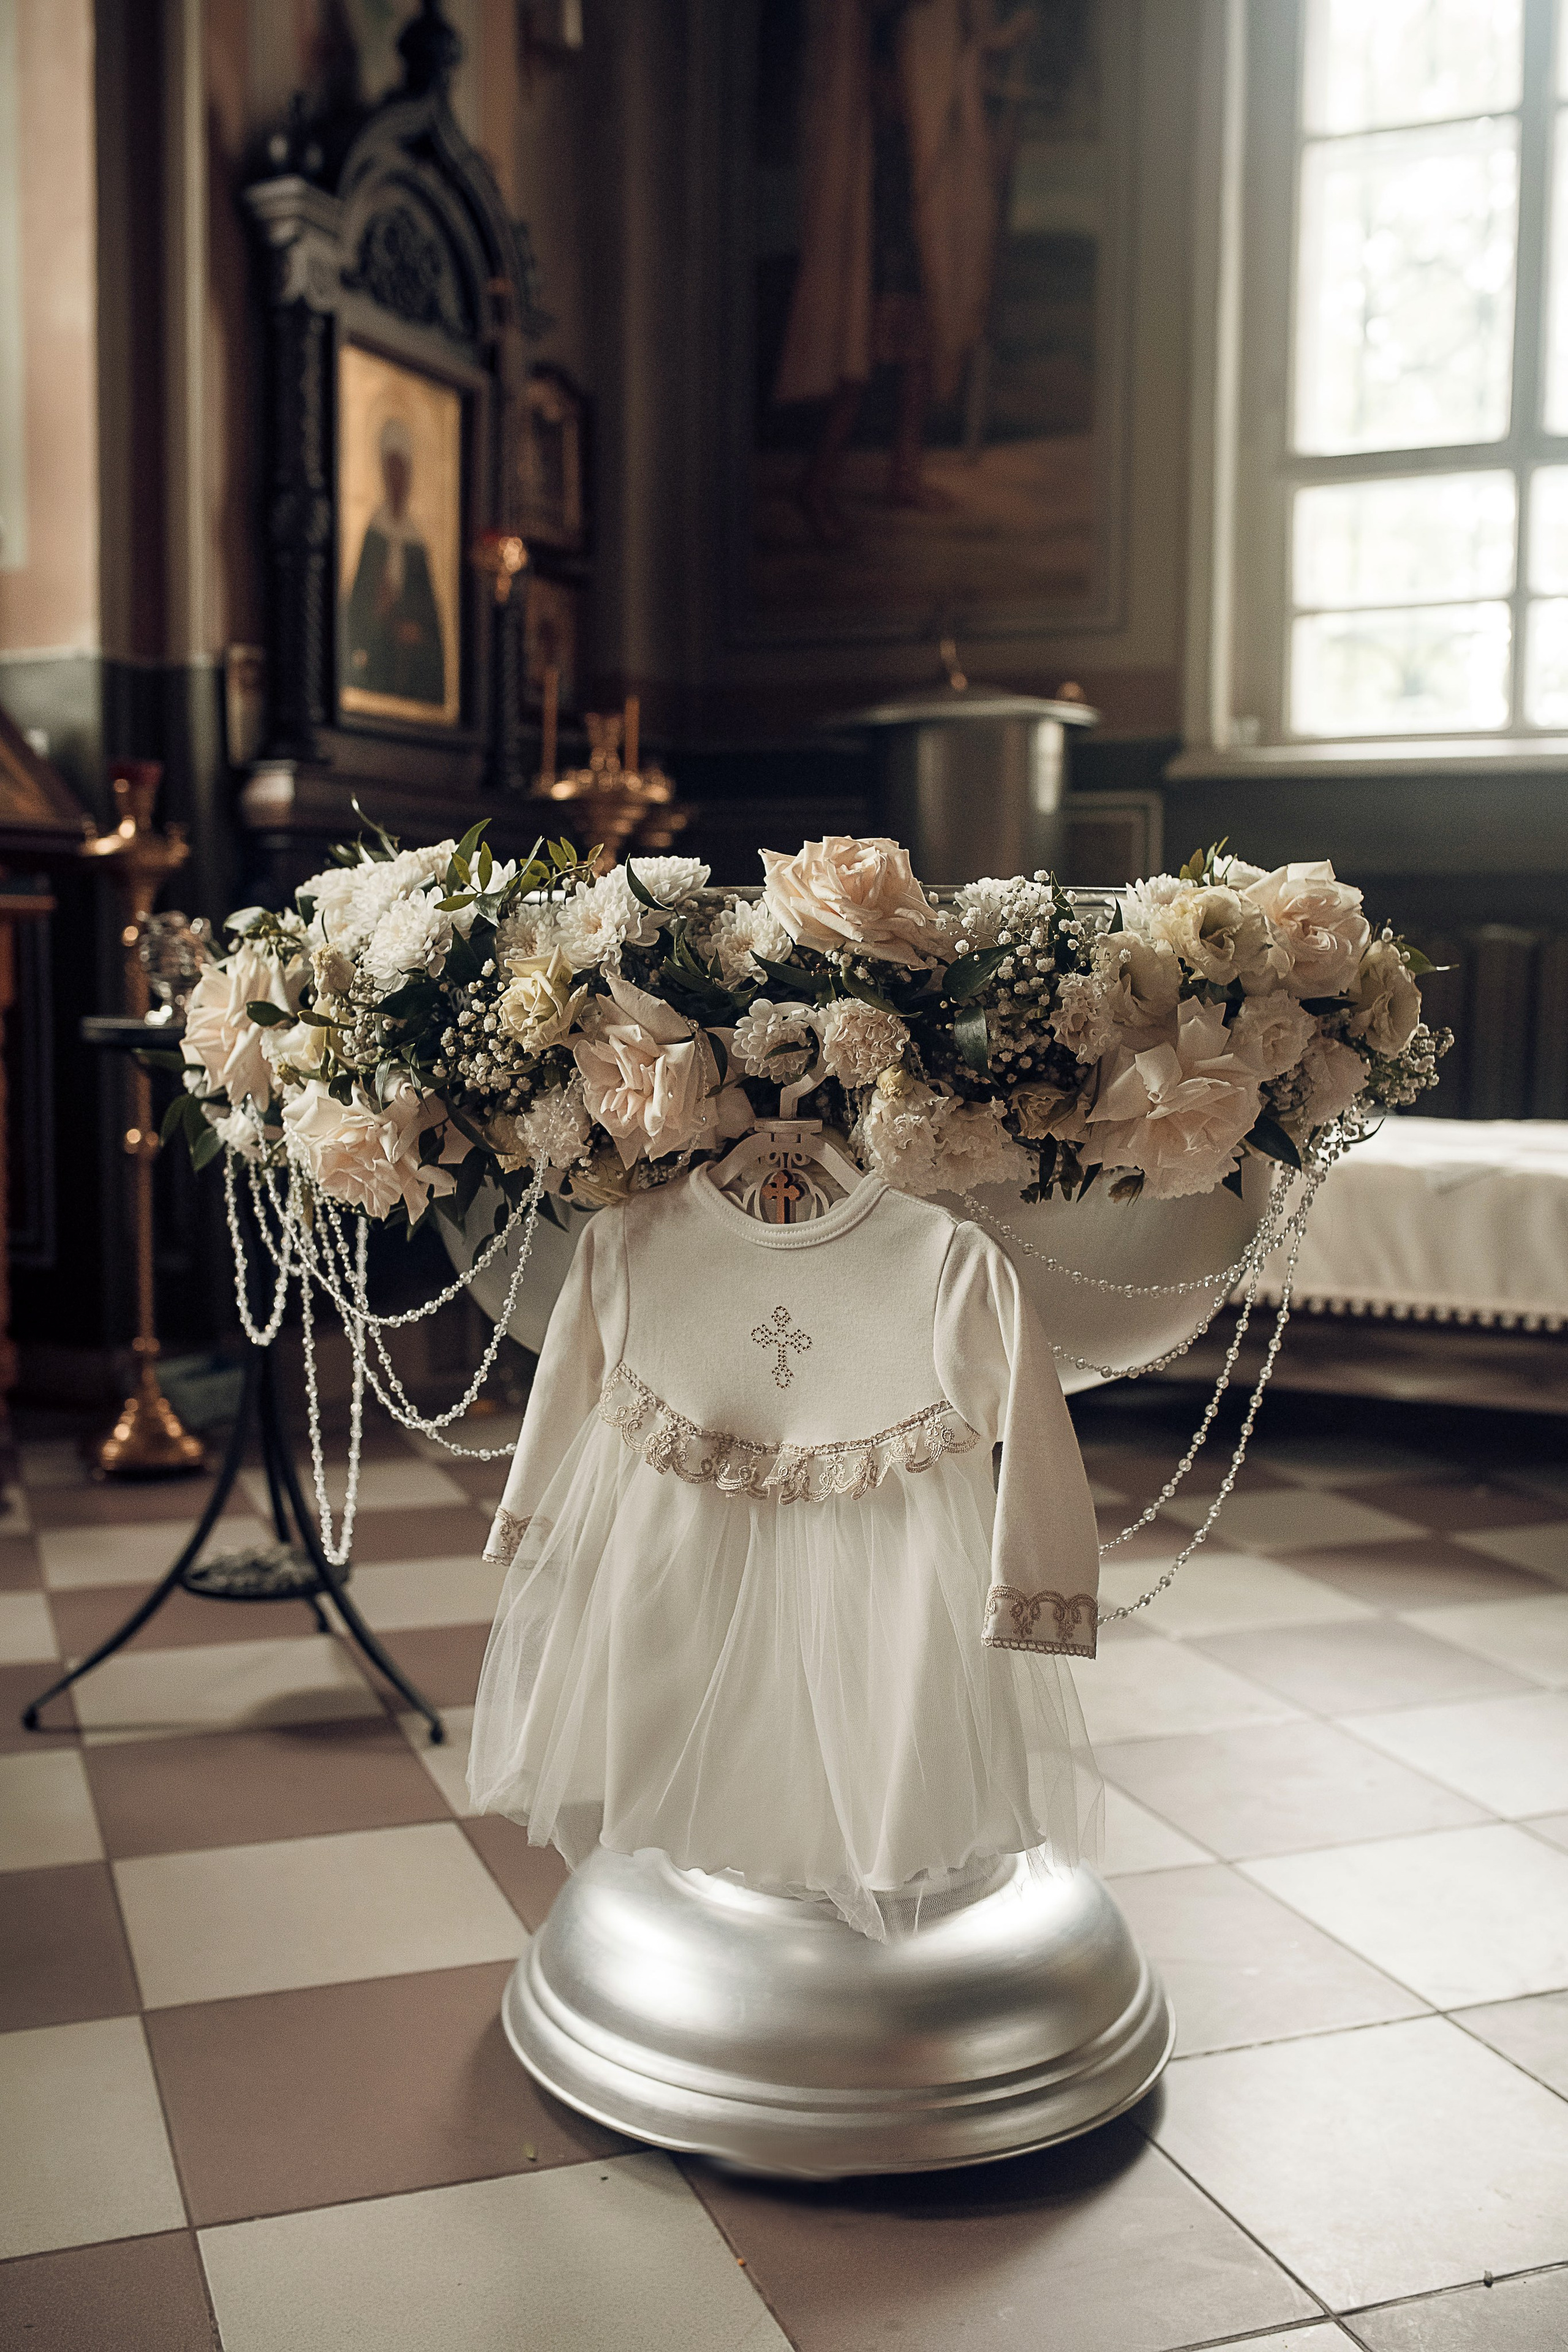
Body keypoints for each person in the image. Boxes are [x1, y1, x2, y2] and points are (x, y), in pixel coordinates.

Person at [772, 0, 1026, 546]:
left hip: (920, 189)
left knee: (921, 339)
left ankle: (903, 475)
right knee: (859, 347)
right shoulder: (868, 36)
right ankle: (818, 483)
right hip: (885, 191)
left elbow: (966, 50)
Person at [342, 416, 446, 707]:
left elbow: (432, 625)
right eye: (392, 470)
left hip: (413, 669)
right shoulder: (374, 535)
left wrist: (418, 632)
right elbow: (355, 615)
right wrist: (378, 613)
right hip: (379, 661)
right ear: (384, 474)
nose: (398, 479)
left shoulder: (417, 543)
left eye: (404, 471)